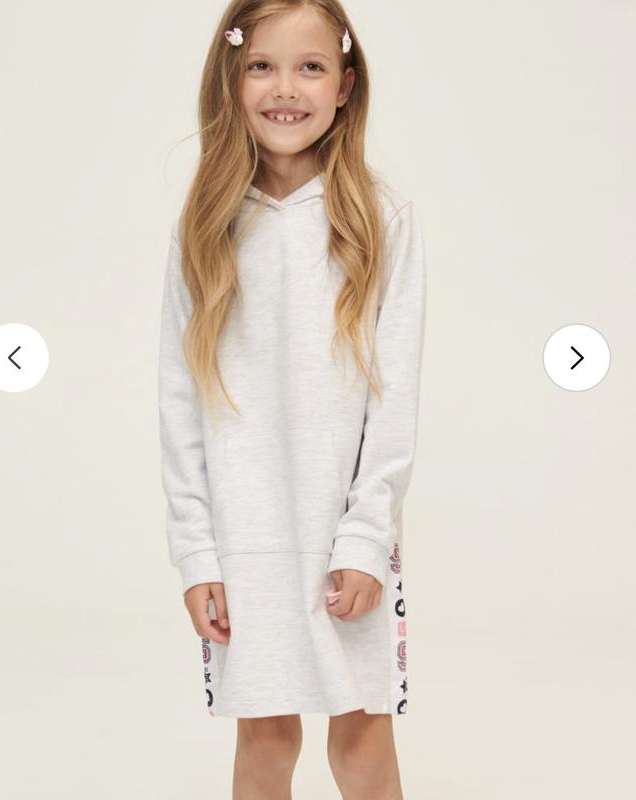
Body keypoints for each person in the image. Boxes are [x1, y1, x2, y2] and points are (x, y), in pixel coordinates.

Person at [157, 1, 426, 797]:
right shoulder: (204, 229)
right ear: (231, 81)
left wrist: (365, 540)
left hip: (344, 533)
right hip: (243, 538)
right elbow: (180, 402)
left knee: (362, 737)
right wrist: (197, 553)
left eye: (309, 68)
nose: (285, 88)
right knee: (266, 737)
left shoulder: (382, 220)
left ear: (344, 85)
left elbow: (394, 399)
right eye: (261, 67)